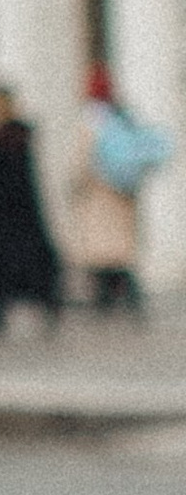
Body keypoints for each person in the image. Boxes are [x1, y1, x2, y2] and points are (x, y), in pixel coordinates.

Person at [67, 60, 172, 314]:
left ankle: (107, 303)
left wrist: (75, 187)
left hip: (99, 199)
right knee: (122, 255)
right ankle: (129, 302)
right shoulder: (121, 116)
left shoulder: (90, 122)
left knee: (103, 257)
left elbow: (80, 163)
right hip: (123, 198)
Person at [0, 84, 60, 336]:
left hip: (17, 213)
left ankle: (40, 305)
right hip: (0, 215)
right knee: (0, 267)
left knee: (30, 264)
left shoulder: (15, 134)